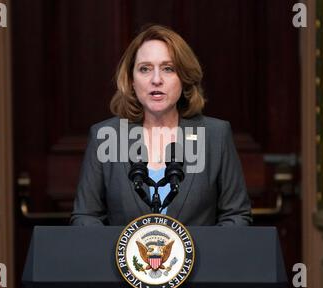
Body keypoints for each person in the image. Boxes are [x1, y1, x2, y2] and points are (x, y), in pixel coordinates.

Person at [70, 25, 252, 226]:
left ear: (183, 77)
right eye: (145, 69)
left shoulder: (215, 136)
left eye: (168, 68)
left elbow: (236, 216)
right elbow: (86, 217)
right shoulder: (105, 136)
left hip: (202, 258)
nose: (156, 80)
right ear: (131, 80)